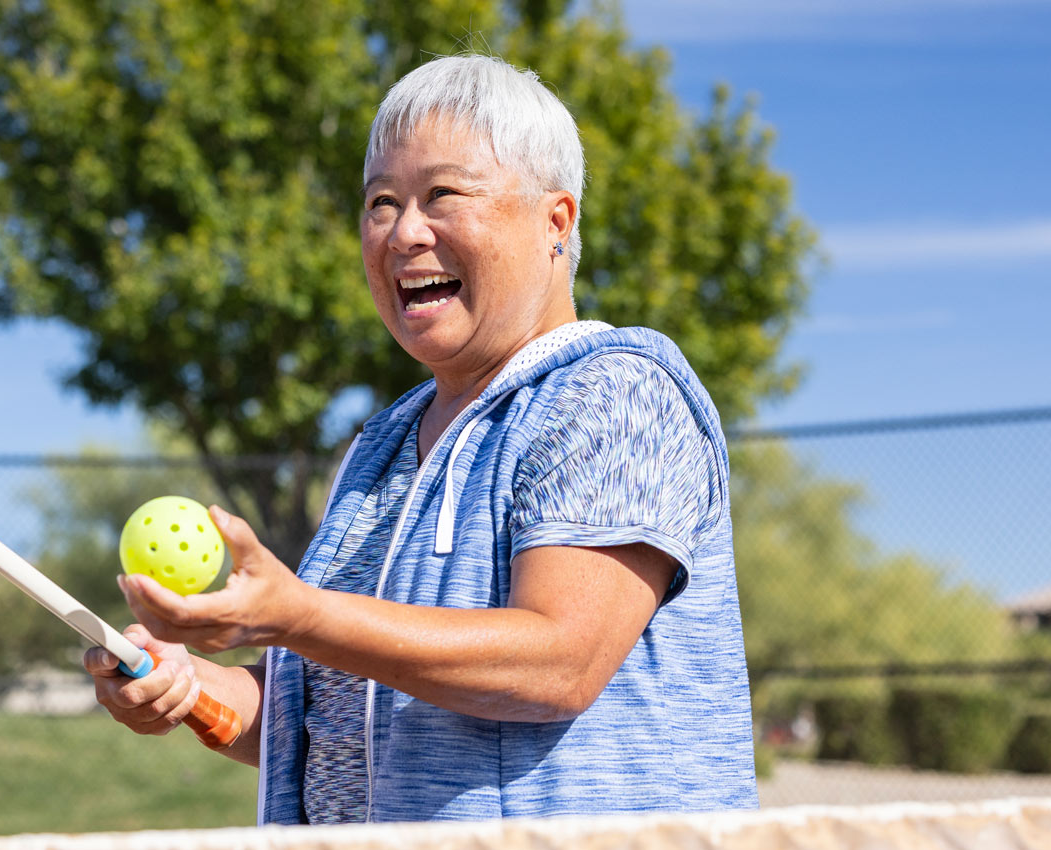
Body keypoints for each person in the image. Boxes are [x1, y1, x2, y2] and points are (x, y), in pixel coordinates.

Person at [84, 54, 755, 824]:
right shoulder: (380, 442)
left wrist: (296, 614)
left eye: (441, 194)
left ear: (554, 222)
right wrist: (191, 686)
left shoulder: (613, 392)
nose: (403, 232)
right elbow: (336, 713)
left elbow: (556, 663)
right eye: (380, 202)